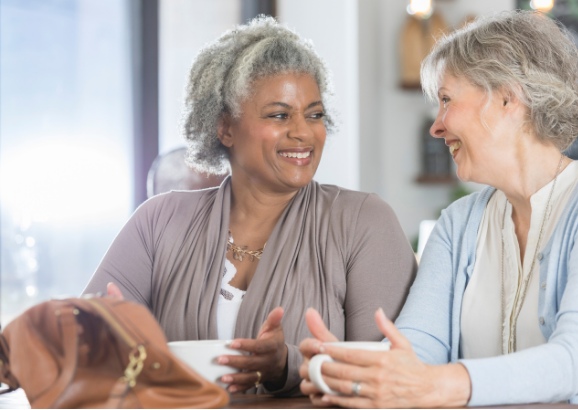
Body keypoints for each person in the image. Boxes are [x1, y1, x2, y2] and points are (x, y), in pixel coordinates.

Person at [82, 16, 416, 396]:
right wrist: (102, 338)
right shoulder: (159, 221)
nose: (303, 132)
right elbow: (80, 342)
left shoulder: (363, 222)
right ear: (224, 127)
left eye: (315, 114)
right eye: (279, 115)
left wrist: (286, 366)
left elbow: (391, 376)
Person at [299, 10, 578, 407]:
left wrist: (444, 385)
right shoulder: (458, 223)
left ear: (506, 97)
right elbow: (417, 352)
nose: (437, 126)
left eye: (446, 100)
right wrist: (347, 370)